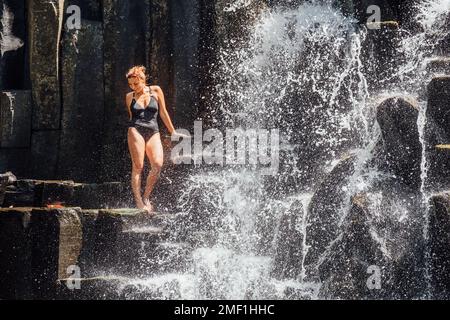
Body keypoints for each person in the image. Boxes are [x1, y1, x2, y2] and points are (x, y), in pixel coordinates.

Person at [125, 65, 176, 213]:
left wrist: (173, 132)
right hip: (135, 129)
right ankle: (139, 201)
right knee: (138, 166)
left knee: (157, 164)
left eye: (136, 83)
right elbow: (132, 116)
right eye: (130, 85)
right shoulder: (130, 97)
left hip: (153, 130)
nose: (133, 87)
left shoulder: (156, 90)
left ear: (143, 79)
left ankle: (146, 196)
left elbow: (163, 113)